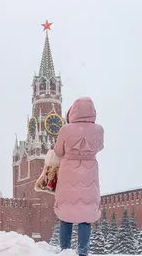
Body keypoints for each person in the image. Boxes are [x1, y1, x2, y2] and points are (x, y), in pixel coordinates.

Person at [53, 97, 104, 256]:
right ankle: (83, 252)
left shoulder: (66, 130)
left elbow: (58, 151)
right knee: (86, 215)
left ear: (73, 111)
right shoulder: (99, 130)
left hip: (68, 173)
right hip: (89, 174)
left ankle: (64, 250)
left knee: (66, 212)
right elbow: (100, 147)